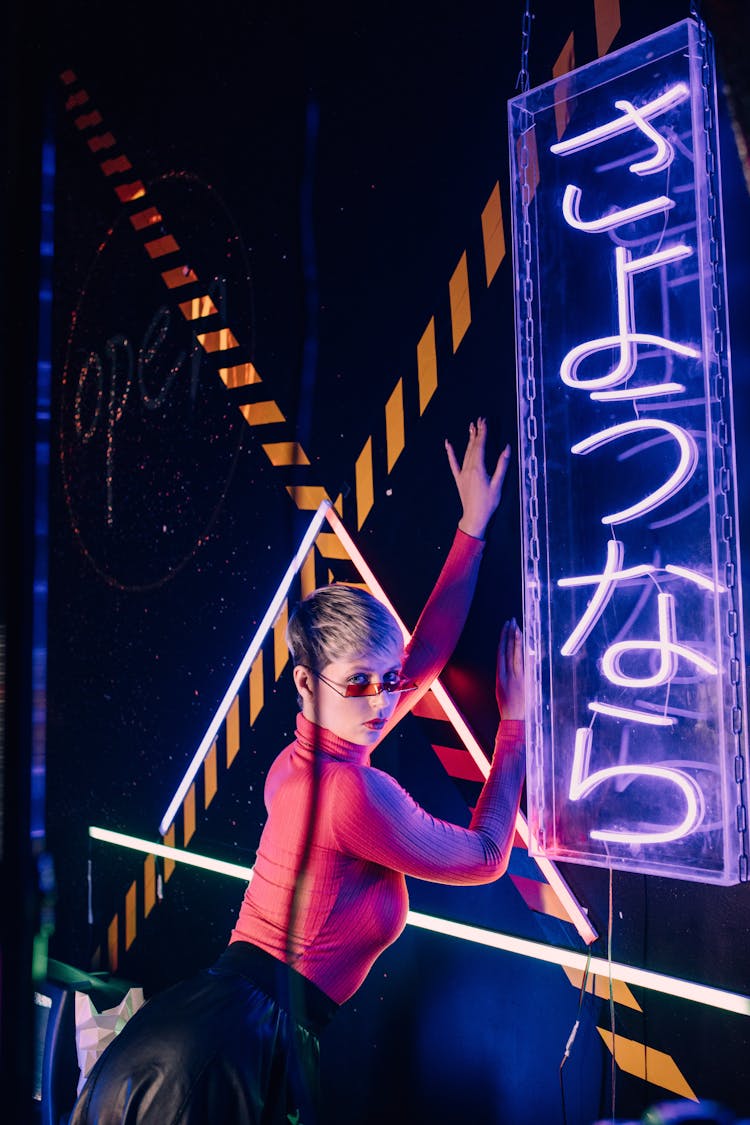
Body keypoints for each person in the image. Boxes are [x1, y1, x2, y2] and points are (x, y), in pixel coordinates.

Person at [68, 417, 526, 1125]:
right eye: (360, 683)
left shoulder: (306, 756)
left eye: (386, 679)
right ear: (307, 683)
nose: (382, 700)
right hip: (233, 1047)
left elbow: (424, 658)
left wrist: (471, 526)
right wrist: (515, 722)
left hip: (227, 1023)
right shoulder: (349, 792)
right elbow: (488, 856)